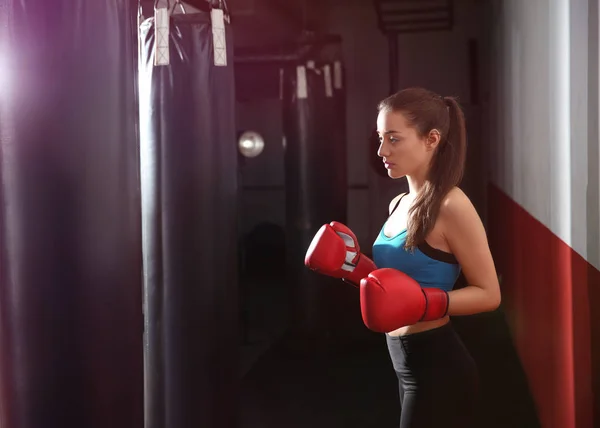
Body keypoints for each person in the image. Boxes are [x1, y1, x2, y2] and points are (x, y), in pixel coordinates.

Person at [305, 87, 501, 428]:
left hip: (438, 364)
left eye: (394, 139)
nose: (382, 150)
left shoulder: (451, 205)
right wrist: (353, 267)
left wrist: (425, 303)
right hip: (402, 360)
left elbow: (489, 294)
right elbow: (392, 285)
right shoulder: (398, 204)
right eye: (380, 138)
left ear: (432, 139)